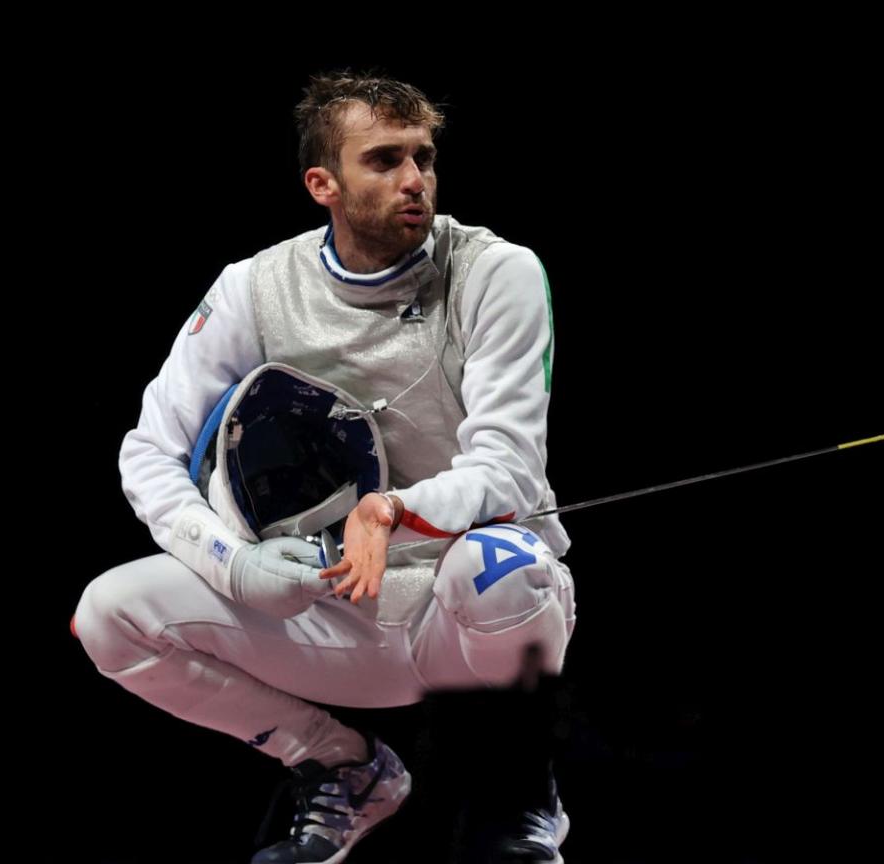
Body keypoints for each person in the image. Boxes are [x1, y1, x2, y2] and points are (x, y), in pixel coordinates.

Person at [72, 70, 576, 863]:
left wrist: (392, 511)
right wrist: (233, 565)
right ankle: (343, 766)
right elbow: (149, 452)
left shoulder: (495, 272)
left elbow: (508, 465)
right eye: (384, 160)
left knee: (503, 562)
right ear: (323, 183)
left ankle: (519, 789)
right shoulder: (254, 287)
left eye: (425, 157)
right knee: (109, 614)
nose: (416, 181)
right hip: (327, 604)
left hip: (454, 612)